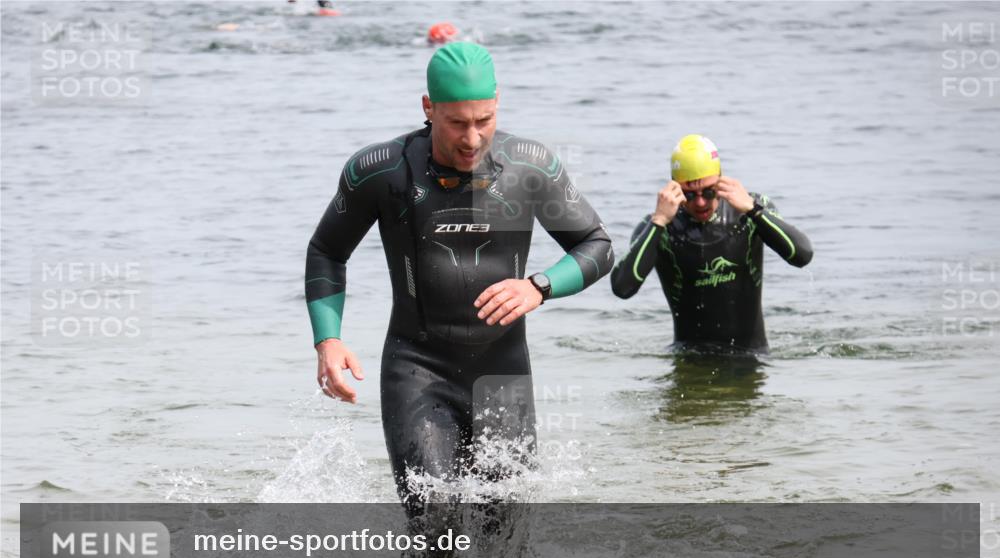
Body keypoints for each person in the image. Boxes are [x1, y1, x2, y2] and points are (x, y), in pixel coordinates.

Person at [305, 42, 613, 510]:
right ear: (428, 108)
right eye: (457, 123)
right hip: (418, 369)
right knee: (434, 523)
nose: (472, 139)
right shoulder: (383, 171)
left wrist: (538, 287)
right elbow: (327, 250)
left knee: (504, 534)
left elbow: (597, 246)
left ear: (497, 104)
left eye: (483, 121)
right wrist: (328, 341)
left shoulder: (530, 167)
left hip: (502, 372)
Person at [610, 134, 812, 352]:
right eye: (689, 194)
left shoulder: (750, 210)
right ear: (675, 189)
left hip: (750, 357)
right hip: (690, 363)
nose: (700, 202)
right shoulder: (659, 227)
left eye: (708, 191)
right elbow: (622, 288)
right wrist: (658, 222)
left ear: (720, 181)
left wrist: (753, 210)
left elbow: (802, 255)